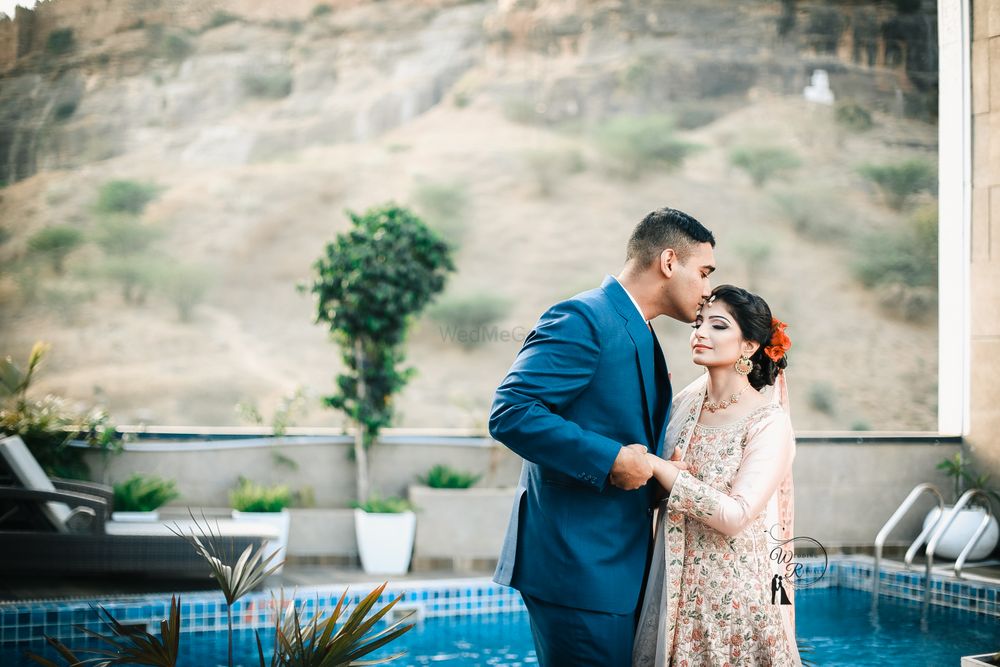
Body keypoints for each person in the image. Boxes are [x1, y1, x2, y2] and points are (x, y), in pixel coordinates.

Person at [489, 207, 716, 667]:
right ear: (669, 262)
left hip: (615, 567)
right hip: (578, 571)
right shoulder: (583, 317)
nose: (708, 290)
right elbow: (511, 411)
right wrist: (612, 458)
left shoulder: (639, 330)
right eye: (704, 272)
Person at [632, 285, 800, 666]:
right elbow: (665, 495)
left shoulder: (768, 423)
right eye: (698, 323)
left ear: (749, 347)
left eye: (719, 326)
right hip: (675, 598)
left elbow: (736, 516)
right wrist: (658, 480)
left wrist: (658, 467)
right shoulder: (683, 406)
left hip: (736, 605)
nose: (701, 333)